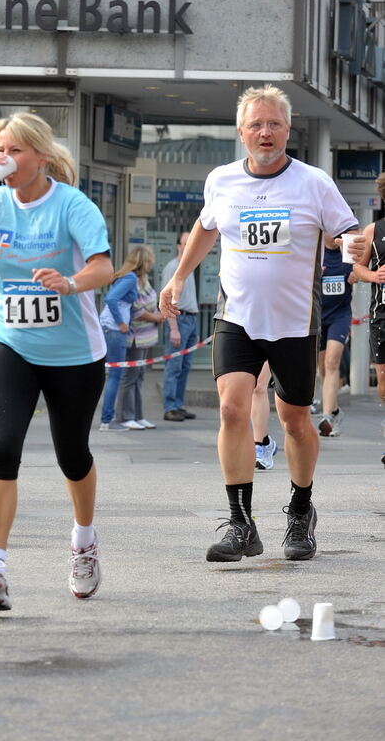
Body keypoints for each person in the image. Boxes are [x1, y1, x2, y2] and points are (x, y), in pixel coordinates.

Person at [159, 84, 365, 563]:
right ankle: (240, 522)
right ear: (241, 132)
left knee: (294, 420)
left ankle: (300, 509)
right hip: (237, 316)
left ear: (288, 130)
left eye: (274, 123)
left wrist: (352, 245)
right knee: (232, 409)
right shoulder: (222, 180)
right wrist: (178, 279)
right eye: (256, 124)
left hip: (294, 320)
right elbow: (205, 228)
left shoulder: (313, 182)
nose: (265, 132)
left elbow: (344, 232)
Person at [0, 111, 112, 611]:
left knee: (72, 455)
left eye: (12, 151)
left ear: (41, 157)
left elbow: (103, 265)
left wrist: (71, 283)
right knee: (0, 449)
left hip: (75, 352)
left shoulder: (71, 205)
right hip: (11, 341)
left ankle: (84, 540)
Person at [352, 172, 385, 466]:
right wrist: (373, 275)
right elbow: (356, 268)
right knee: (384, 383)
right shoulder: (373, 230)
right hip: (381, 316)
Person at [115, 245, 164, 430]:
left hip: (146, 336)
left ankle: (137, 415)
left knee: (140, 375)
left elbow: (149, 301)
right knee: (129, 376)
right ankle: (125, 416)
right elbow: (136, 309)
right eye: (150, 261)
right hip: (135, 336)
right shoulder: (130, 280)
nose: (152, 264)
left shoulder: (144, 280)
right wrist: (156, 317)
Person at [317, 233, 355, 438]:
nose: (334, 236)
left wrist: (354, 273)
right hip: (318, 316)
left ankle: (327, 417)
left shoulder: (346, 253)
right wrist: (315, 276)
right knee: (323, 367)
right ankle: (334, 411)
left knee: (332, 362)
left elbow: (357, 273)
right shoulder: (316, 254)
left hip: (339, 317)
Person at [98, 251, 139, 430]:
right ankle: (107, 421)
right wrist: (121, 322)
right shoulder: (130, 277)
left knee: (110, 375)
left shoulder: (123, 276)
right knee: (115, 375)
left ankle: (106, 419)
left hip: (109, 328)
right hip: (114, 330)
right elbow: (111, 299)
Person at [161, 232, 198, 422]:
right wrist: (173, 328)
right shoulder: (173, 268)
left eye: (190, 243)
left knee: (185, 366)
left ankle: (179, 404)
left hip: (191, 320)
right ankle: (170, 407)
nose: (187, 247)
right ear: (178, 246)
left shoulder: (188, 268)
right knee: (174, 366)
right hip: (179, 319)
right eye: (185, 243)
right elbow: (168, 300)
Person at [252, 361, 277, 470]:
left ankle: (261, 444)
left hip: (277, 344)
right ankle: (262, 443)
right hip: (248, 344)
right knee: (256, 387)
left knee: (259, 386)